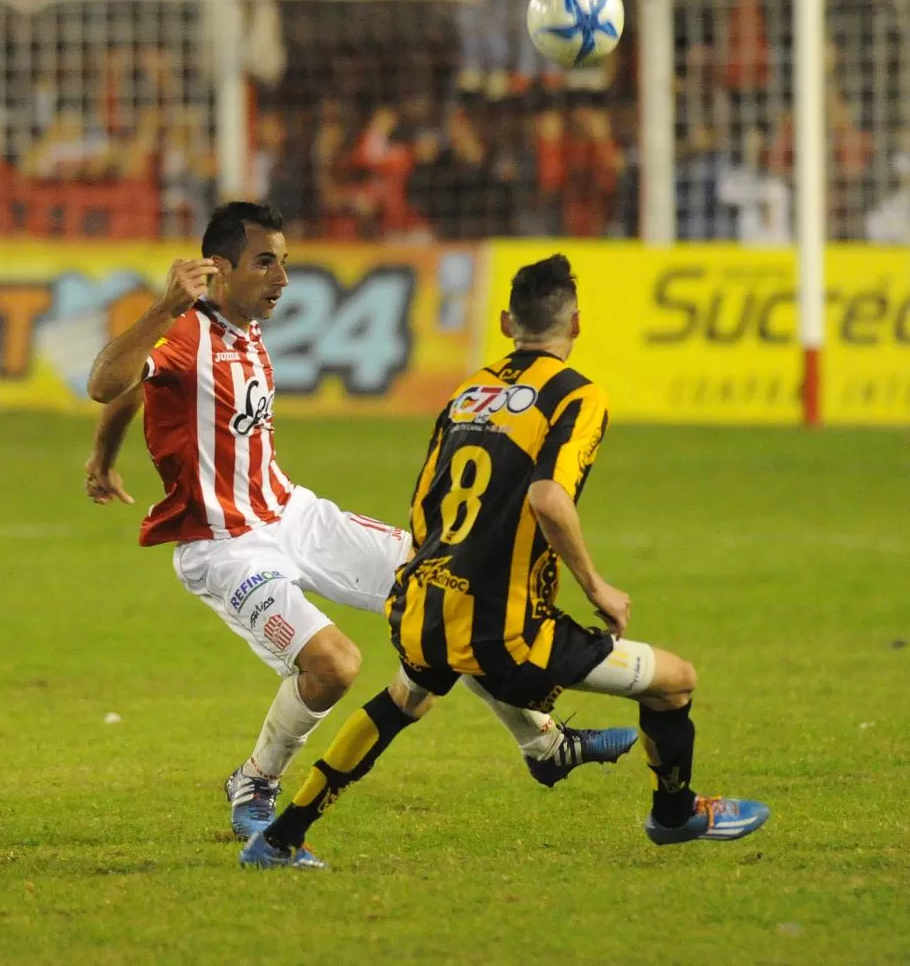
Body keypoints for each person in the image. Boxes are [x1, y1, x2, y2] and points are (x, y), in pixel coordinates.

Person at [84, 203, 637, 841]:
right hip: (227, 546)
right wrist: (163, 308)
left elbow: (137, 388)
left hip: (293, 513)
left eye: (285, 263)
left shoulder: (241, 328)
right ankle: (256, 779)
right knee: (335, 666)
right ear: (218, 268)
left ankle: (544, 745)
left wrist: (103, 459)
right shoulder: (181, 333)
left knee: (448, 591)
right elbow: (107, 381)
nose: (282, 279)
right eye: (266, 262)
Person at [243, 253, 771, 869]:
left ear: (504, 322)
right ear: (576, 325)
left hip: (427, 597)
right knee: (676, 681)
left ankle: (280, 837)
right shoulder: (578, 396)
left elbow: (425, 502)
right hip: (508, 630)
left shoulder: (469, 391)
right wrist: (597, 586)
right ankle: (675, 815)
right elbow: (548, 498)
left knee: (403, 700)